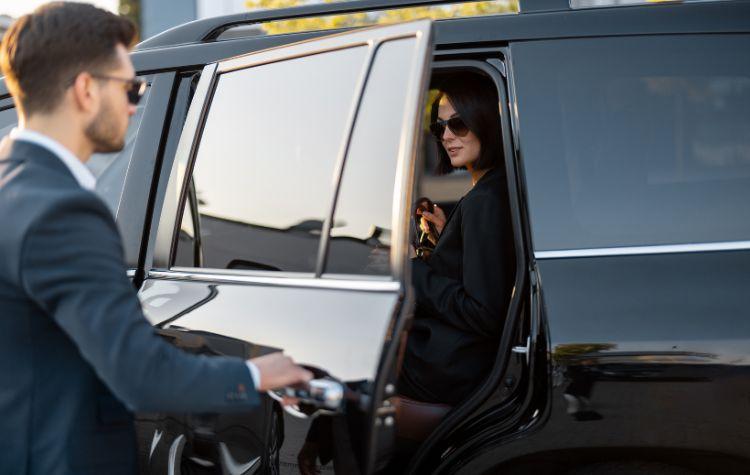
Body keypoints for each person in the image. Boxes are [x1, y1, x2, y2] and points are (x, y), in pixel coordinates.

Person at [0, 4, 311, 473]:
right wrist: (255, 374)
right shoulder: (64, 211)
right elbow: (137, 372)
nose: (135, 101)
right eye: (129, 87)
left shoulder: (12, 185)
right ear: (86, 89)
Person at [399, 73, 515, 406]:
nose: (447, 136)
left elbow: (482, 312)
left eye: (459, 124)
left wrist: (413, 267)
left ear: (487, 122)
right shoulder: (493, 188)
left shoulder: (485, 200)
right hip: (462, 358)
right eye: (439, 128)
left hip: (452, 364)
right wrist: (443, 241)